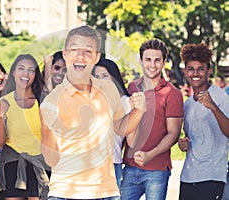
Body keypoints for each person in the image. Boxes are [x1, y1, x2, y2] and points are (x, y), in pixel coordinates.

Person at [40, 25, 146, 199]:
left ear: (97, 57)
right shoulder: (51, 103)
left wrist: (139, 111)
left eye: (88, 51)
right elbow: (50, 159)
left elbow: (121, 127)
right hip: (66, 193)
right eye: (74, 50)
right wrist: (48, 127)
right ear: (65, 54)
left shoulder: (109, 88)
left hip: (106, 192)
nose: (80, 56)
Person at [121, 39, 184, 200]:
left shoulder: (172, 94)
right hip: (130, 167)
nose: (152, 64)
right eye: (148, 59)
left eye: (157, 60)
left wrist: (150, 155)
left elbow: (173, 134)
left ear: (164, 63)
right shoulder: (131, 87)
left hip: (157, 169)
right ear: (140, 61)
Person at [0, 54, 49, 200]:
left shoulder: (42, 102)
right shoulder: (3, 102)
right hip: (12, 163)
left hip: (38, 165)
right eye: (21, 68)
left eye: (31, 70)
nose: (26, 73)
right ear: (13, 72)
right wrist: (0, 117)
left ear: (35, 74)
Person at [178, 43, 229, 200]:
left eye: (201, 69)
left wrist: (212, 106)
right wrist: (184, 143)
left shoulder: (220, 96)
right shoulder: (187, 104)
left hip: (212, 177)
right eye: (191, 69)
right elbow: (190, 135)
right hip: (187, 177)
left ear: (208, 71)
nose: (196, 73)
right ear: (185, 71)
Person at [92, 58, 131, 190]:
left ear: (114, 77)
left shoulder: (126, 102)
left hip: (112, 163)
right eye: (96, 77)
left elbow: (128, 135)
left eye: (105, 76)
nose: (100, 81)